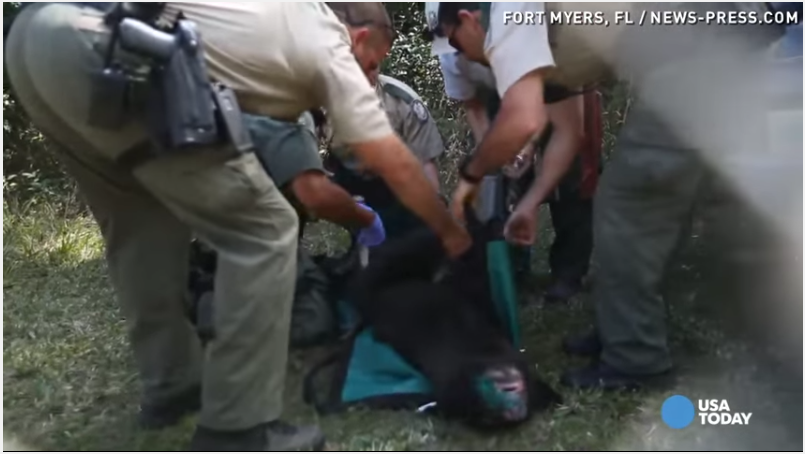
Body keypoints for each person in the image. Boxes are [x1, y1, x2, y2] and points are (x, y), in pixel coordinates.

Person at [5, 2, 470, 451]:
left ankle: (173, 385)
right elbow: (390, 159)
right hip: (114, 46)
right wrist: (449, 232)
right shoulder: (325, 41)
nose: (369, 80)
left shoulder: (275, 22)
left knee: (140, 226)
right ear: (359, 37)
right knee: (264, 229)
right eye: (371, 65)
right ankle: (237, 430)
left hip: (37, 39)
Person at [424, 1, 786, 390]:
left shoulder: (507, 9)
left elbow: (524, 119)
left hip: (704, 42)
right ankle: (624, 324)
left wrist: (470, 175)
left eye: (458, 45)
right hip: (712, 40)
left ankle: (636, 358)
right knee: (654, 202)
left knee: (630, 205)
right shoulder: (533, 30)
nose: (465, 58)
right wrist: (527, 205)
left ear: (467, 19)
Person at [431, 41, 597, 302]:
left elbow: (545, 108)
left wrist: (527, 146)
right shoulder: (449, 49)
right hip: (501, 94)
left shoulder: (523, 26)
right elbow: (473, 107)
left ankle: (569, 272)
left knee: (569, 177)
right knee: (502, 187)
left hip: (553, 79)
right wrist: (495, 156)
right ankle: (514, 270)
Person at [325, 71, 447, 239]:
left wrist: (434, 211)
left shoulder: (401, 99)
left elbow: (425, 161)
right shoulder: (320, 100)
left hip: (395, 181)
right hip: (344, 178)